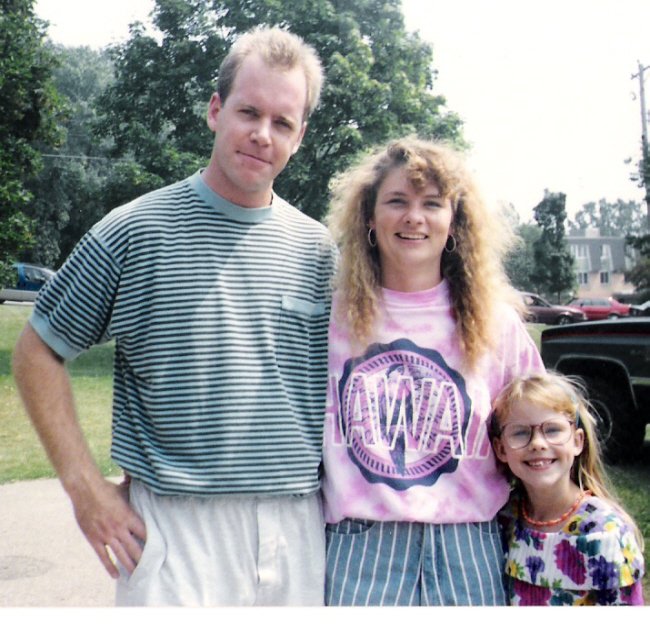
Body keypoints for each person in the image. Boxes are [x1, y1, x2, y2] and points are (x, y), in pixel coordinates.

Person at [12, 26, 337, 607]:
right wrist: (84, 488)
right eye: (248, 112)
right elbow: (38, 351)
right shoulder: (133, 231)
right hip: (176, 533)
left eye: (282, 122)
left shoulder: (319, 252)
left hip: (298, 529)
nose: (262, 135)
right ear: (215, 110)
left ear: (300, 136)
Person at [321, 136, 545, 606]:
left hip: (468, 545)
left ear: (454, 221)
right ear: (368, 217)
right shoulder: (329, 318)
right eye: (396, 201)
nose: (414, 217)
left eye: (431, 204)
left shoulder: (495, 324)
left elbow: (542, 429)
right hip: (361, 548)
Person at [490, 372, 645, 606]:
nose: (538, 443)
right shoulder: (503, 520)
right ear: (501, 449)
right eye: (520, 432)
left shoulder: (604, 531)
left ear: (577, 441)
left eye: (552, 430)